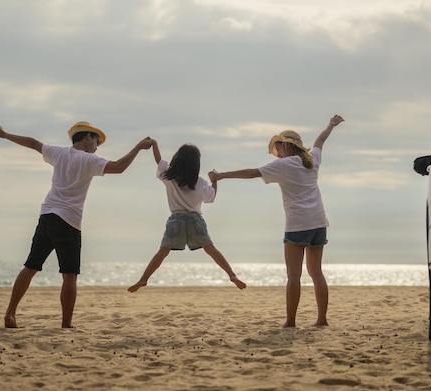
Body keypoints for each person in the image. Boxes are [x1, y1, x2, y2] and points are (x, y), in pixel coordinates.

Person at [0, 119, 152, 328]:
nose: (96, 147)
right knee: (69, 275)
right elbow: (118, 167)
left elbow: (33, 143)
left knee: (30, 267)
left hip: (47, 215)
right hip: (68, 221)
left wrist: (6, 135)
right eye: (96, 142)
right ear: (86, 137)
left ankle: (10, 313)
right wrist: (138, 147)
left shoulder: (58, 153)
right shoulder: (88, 160)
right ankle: (66, 324)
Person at [209, 114, 344, 327]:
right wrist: (331, 125)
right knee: (316, 273)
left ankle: (290, 321)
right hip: (319, 222)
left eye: (278, 149)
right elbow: (320, 141)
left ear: (285, 146)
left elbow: (252, 173)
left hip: (298, 225)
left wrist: (221, 176)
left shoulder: (285, 165)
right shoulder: (312, 160)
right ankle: (322, 319)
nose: (277, 154)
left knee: (293, 275)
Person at [128, 140, 247, 293]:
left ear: (177, 158)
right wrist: (214, 181)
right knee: (210, 248)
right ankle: (232, 275)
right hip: (195, 219)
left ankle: (144, 279)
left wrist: (155, 144)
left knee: (163, 251)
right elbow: (211, 198)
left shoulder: (169, 176)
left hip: (176, 219)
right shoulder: (199, 182)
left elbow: (159, 161)